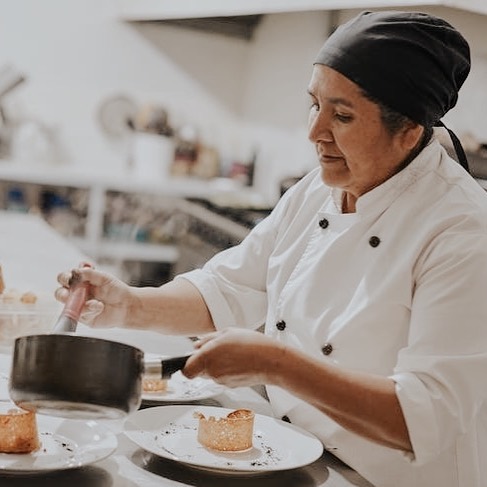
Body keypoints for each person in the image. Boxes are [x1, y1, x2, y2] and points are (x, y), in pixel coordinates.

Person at [56, 11, 487, 487]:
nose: (314, 131)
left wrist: (276, 364)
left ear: (408, 132)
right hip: (305, 458)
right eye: (314, 104)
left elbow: (426, 417)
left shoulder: (463, 231)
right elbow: (230, 287)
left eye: (342, 115)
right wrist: (131, 305)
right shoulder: (320, 188)